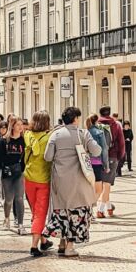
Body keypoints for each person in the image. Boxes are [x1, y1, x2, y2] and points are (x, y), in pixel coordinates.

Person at [45, 107, 102, 258]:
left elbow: (48, 157)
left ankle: (62, 243)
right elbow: (97, 151)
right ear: (76, 119)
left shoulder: (55, 134)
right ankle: (70, 247)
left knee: (63, 212)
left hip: (60, 180)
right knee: (77, 213)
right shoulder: (83, 133)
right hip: (79, 182)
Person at [23, 111, 53, 256]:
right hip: (43, 179)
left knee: (35, 211)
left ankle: (44, 241)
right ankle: (34, 246)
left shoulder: (27, 135)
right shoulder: (48, 138)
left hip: (28, 178)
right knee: (40, 213)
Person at [0, 117, 28, 241]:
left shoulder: (23, 140)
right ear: (13, 126)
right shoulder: (4, 140)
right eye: (18, 125)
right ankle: (6, 218)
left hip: (19, 172)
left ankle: (20, 225)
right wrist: (3, 168)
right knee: (9, 199)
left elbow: (26, 155)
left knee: (20, 198)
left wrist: (24, 168)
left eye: (22, 125)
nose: (21, 127)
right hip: (7, 173)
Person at [97, 106, 124, 215]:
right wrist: (119, 156)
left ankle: (109, 207)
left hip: (97, 157)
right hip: (112, 156)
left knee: (101, 183)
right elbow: (121, 143)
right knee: (107, 184)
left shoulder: (96, 125)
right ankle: (100, 209)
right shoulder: (116, 125)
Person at [86, 114, 109, 198]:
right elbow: (104, 150)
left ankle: (89, 205)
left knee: (88, 187)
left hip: (86, 164)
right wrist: (106, 166)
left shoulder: (85, 132)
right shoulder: (99, 132)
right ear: (96, 121)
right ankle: (93, 204)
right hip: (96, 163)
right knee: (99, 189)